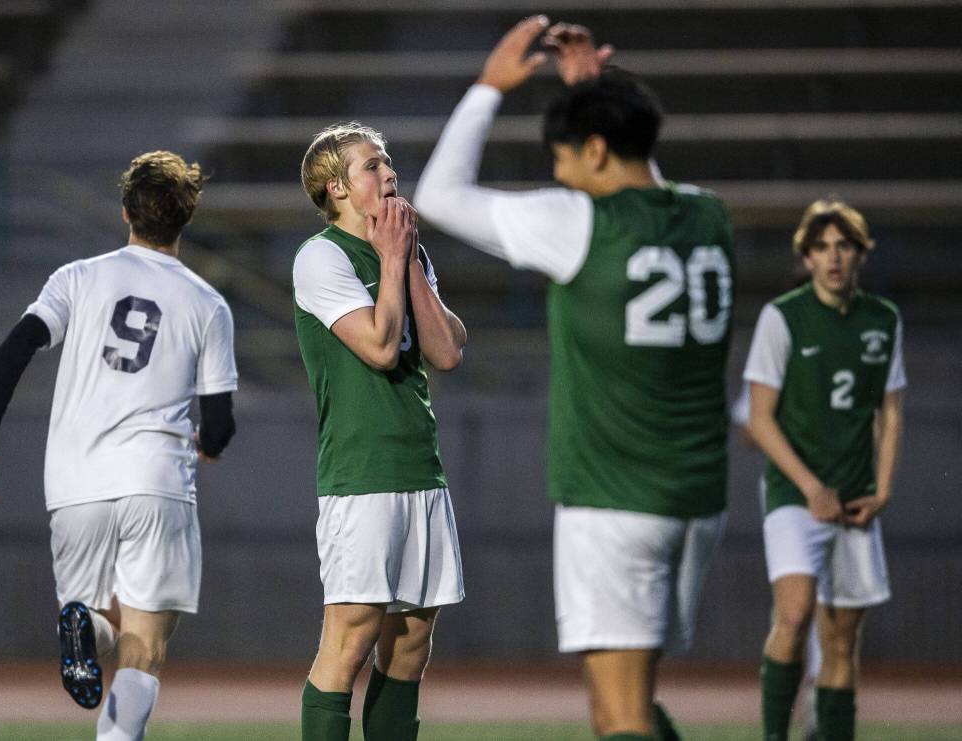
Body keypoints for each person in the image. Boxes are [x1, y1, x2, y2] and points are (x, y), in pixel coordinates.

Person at [416, 17, 735, 741]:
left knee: (620, 717)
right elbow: (638, 156)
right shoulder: (708, 214)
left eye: (565, 156)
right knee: (626, 703)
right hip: (695, 495)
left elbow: (440, 193)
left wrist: (488, 88)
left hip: (614, 497)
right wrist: (599, 94)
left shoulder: (580, 222)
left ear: (593, 148)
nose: (558, 174)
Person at [0, 151, 238, 741]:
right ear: (185, 218)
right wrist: (208, 443)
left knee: (101, 626)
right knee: (146, 644)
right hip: (156, 481)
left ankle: (81, 627)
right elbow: (220, 422)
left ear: (126, 210)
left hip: (76, 486)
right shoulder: (208, 304)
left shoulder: (77, 277)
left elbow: (15, 348)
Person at [294, 122, 467, 741]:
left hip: (420, 467)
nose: (389, 173)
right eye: (373, 166)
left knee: (412, 644)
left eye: (389, 162)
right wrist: (393, 259)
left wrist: (407, 257)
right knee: (350, 639)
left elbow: (446, 352)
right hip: (362, 474)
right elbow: (380, 346)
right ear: (336, 187)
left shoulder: (406, 251)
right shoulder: (321, 256)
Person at [744, 199, 905, 741]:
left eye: (843, 246)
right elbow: (760, 419)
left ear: (861, 253)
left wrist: (882, 490)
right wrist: (811, 486)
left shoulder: (883, 319)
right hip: (795, 494)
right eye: (821, 247)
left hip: (856, 499)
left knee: (841, 639)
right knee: (793, 615)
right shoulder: (783, 316)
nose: (833, 257)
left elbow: (891, 409)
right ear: (806, 257)